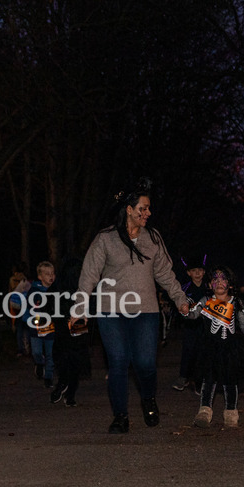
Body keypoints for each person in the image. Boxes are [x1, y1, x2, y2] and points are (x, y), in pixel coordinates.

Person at [76, 180, 189, 434]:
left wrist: (180, 299)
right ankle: (120, 416)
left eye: (149, 209)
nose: (148, 213)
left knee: (146, 363)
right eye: (143, 208)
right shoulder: (105, 239)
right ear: (129, 209)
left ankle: (148, 398)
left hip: (146, 312)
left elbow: (165, 274)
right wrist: (80, 306)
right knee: (118, 362)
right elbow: (89, 276)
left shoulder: (153, 238)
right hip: (111, 312)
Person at [187, 266, 244, 428]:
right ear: (210, 284)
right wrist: (185, 310)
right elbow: (193, 314)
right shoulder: (206, 301)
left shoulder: (236, 302)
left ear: (230, 285)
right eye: (215, 280)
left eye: (223, 279)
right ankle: (204, 411)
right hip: (210, 348)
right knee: (208, 380)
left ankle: (231, 412)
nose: (219, 282)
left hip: (230, 348)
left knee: (230, 381)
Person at [49, 257, 90, 407]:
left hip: (63, 321)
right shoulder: (82, 283)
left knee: (64, 355)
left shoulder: (59, 283)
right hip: (76, 321)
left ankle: (64, 384)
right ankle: (69, 393)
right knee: (74, 357)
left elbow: (48, 301)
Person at [173, 256, 209, 391]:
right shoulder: (184, 289)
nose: (198, 273)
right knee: (188, 350)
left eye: (200, 270)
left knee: (204, 351)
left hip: (206, 325)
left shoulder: (209, 288)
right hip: (191, 326)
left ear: (204, 272)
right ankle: (184, 377)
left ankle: (201, 380)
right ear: (189, 273)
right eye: (194, 270)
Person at [25, 261, 56, 388]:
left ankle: (48, 377)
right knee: (36, 352)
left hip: (51, 327)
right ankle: (39, 363)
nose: (51, 276)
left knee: (51, 354)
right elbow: (31, 305)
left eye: (53, 273)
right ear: (40, 277)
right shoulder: (34, 290)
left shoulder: (57, 290)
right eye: (47, 274)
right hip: (36, 327)